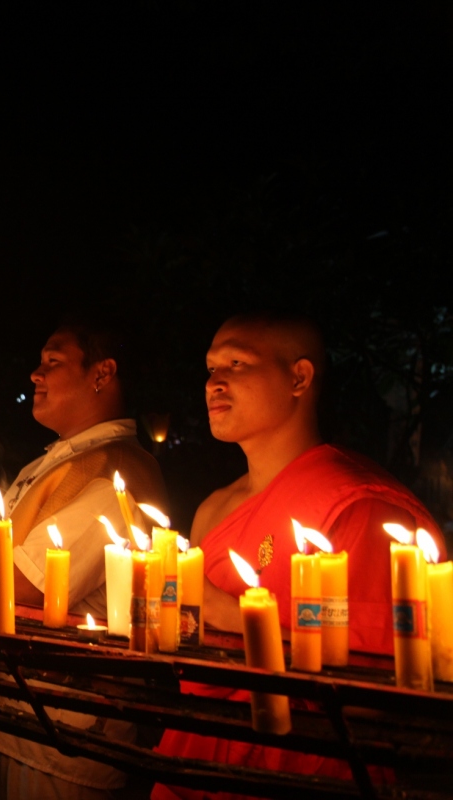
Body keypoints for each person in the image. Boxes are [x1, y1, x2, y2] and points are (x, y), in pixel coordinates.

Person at [152, 312, 443, 800]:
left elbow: (372, 692)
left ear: (299, 378)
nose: (215, 382)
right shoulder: (213, 508)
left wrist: (226, 612)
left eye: (238, 363)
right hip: (196, 755)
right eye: (210, 368)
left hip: (301, 769)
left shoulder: (357, 505)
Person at [0, 317, 167, 800]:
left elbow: (27, 580)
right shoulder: (60, 459)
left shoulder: (116, 470)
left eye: (53, 362)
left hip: (64, 730)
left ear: (102, 374)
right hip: (10, 712)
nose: (36, 374)